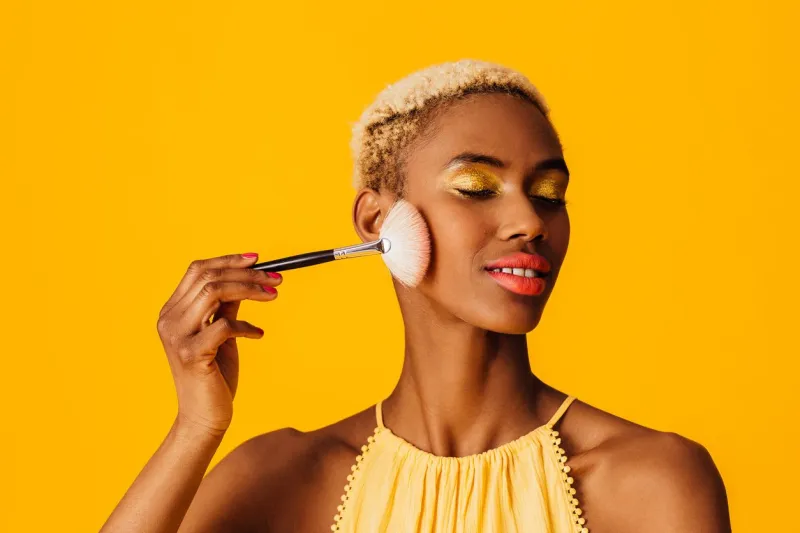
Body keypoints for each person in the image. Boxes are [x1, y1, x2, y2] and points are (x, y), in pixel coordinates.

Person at [101, 59, 731, 533]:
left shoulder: (653, 482)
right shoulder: (284, 478)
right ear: (378, 222)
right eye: (477, 187)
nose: (530, 220)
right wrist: (195, 429)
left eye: (549, 193)